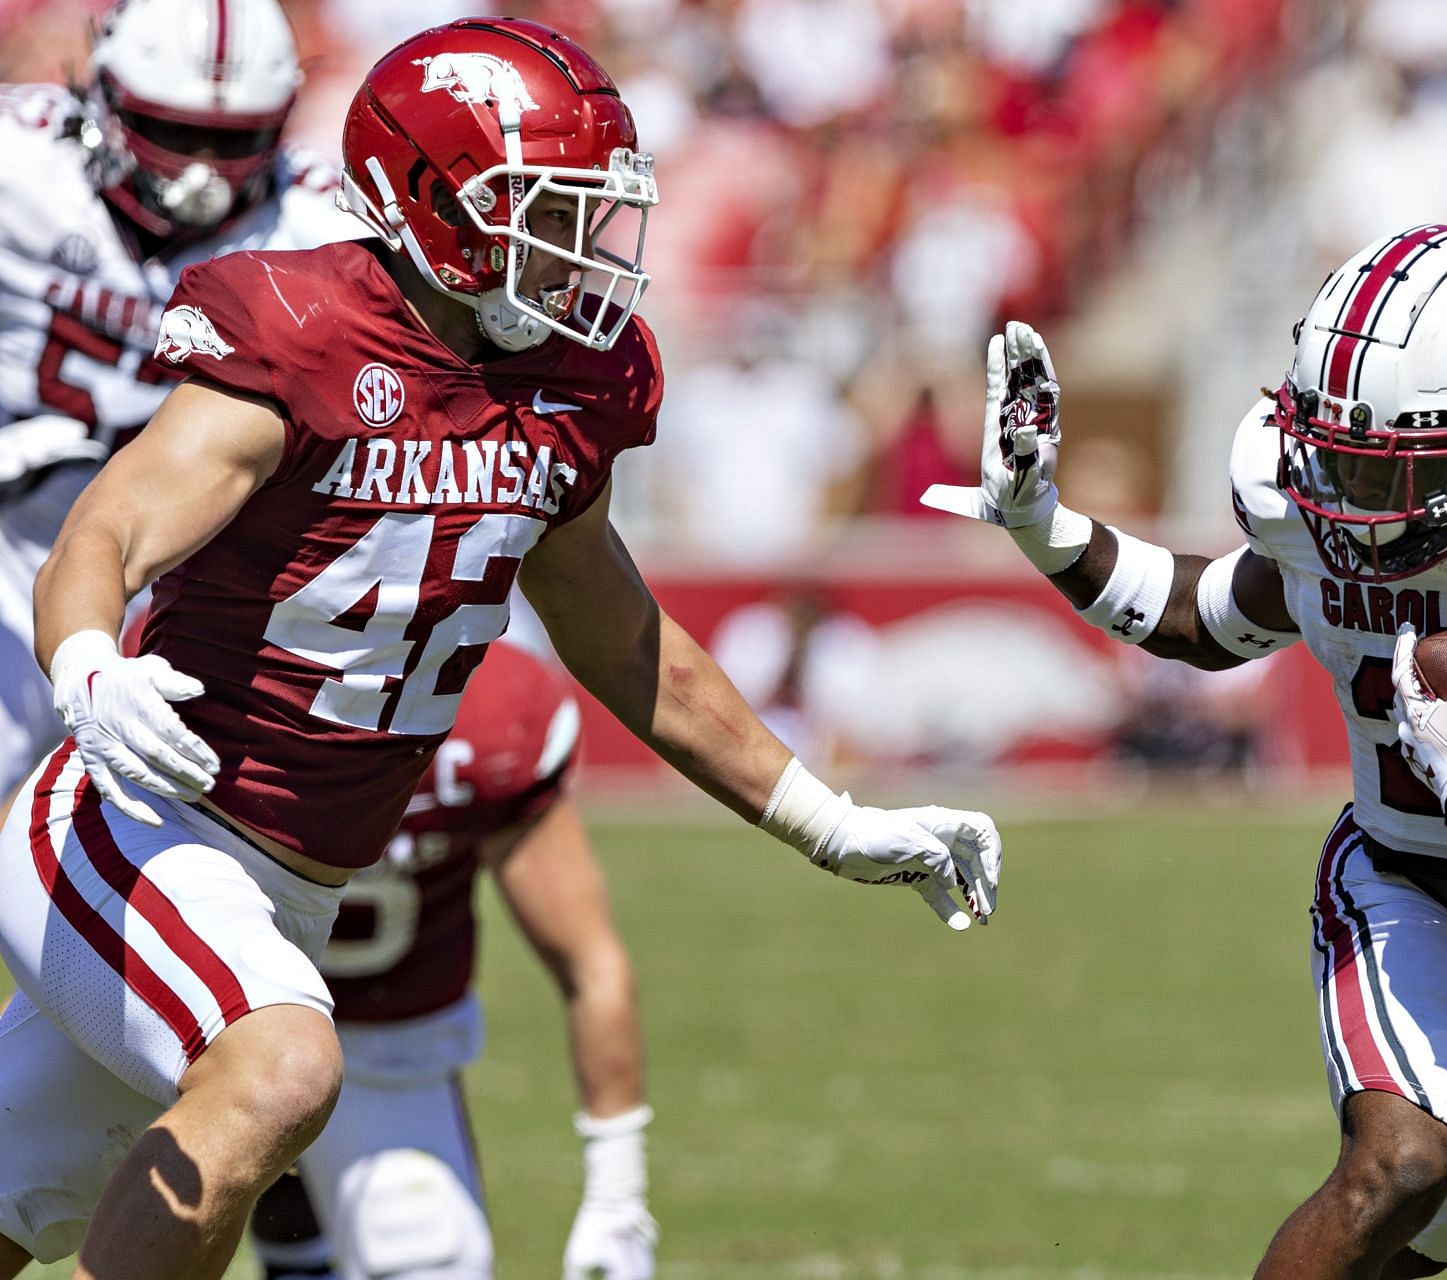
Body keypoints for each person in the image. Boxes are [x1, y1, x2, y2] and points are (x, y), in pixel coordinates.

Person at [0, 17, 1001, 1279]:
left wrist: (826, 817)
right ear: (433, 204)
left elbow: (617, 628)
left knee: (24, 1189)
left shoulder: (572, 380)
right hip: (136, 823)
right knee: (284, 1067)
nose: (582, 244)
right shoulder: (301, 327)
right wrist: (87, 663)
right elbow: (113, 522)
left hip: (290, 882)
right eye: (547, 207)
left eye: (591, 210)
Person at [925, 224, 1447, 1278]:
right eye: (1349, 462)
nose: (1364, 507)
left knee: (1422, 1233)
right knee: (1404, 1161)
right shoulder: (1305, 501)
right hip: (1402, 889)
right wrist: (1044, 523)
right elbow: (1207, 614)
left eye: (1400, 470)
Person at [0, 0, 359, 789]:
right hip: (11, 528)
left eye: (233, 140)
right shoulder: (19, 163)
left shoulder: (320, 222)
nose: (199, 170)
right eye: (170, 131)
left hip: (189, 559)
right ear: (106, 99)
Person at [247, 640, 657, 1280]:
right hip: (196, 1023)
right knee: (49, 1201)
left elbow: (589, 963)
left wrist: (617, 1193)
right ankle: (290, 1227)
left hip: (388, 1044)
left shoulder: (497, 710)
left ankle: (297, 1242)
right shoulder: (214, 643)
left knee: (427, 1260)